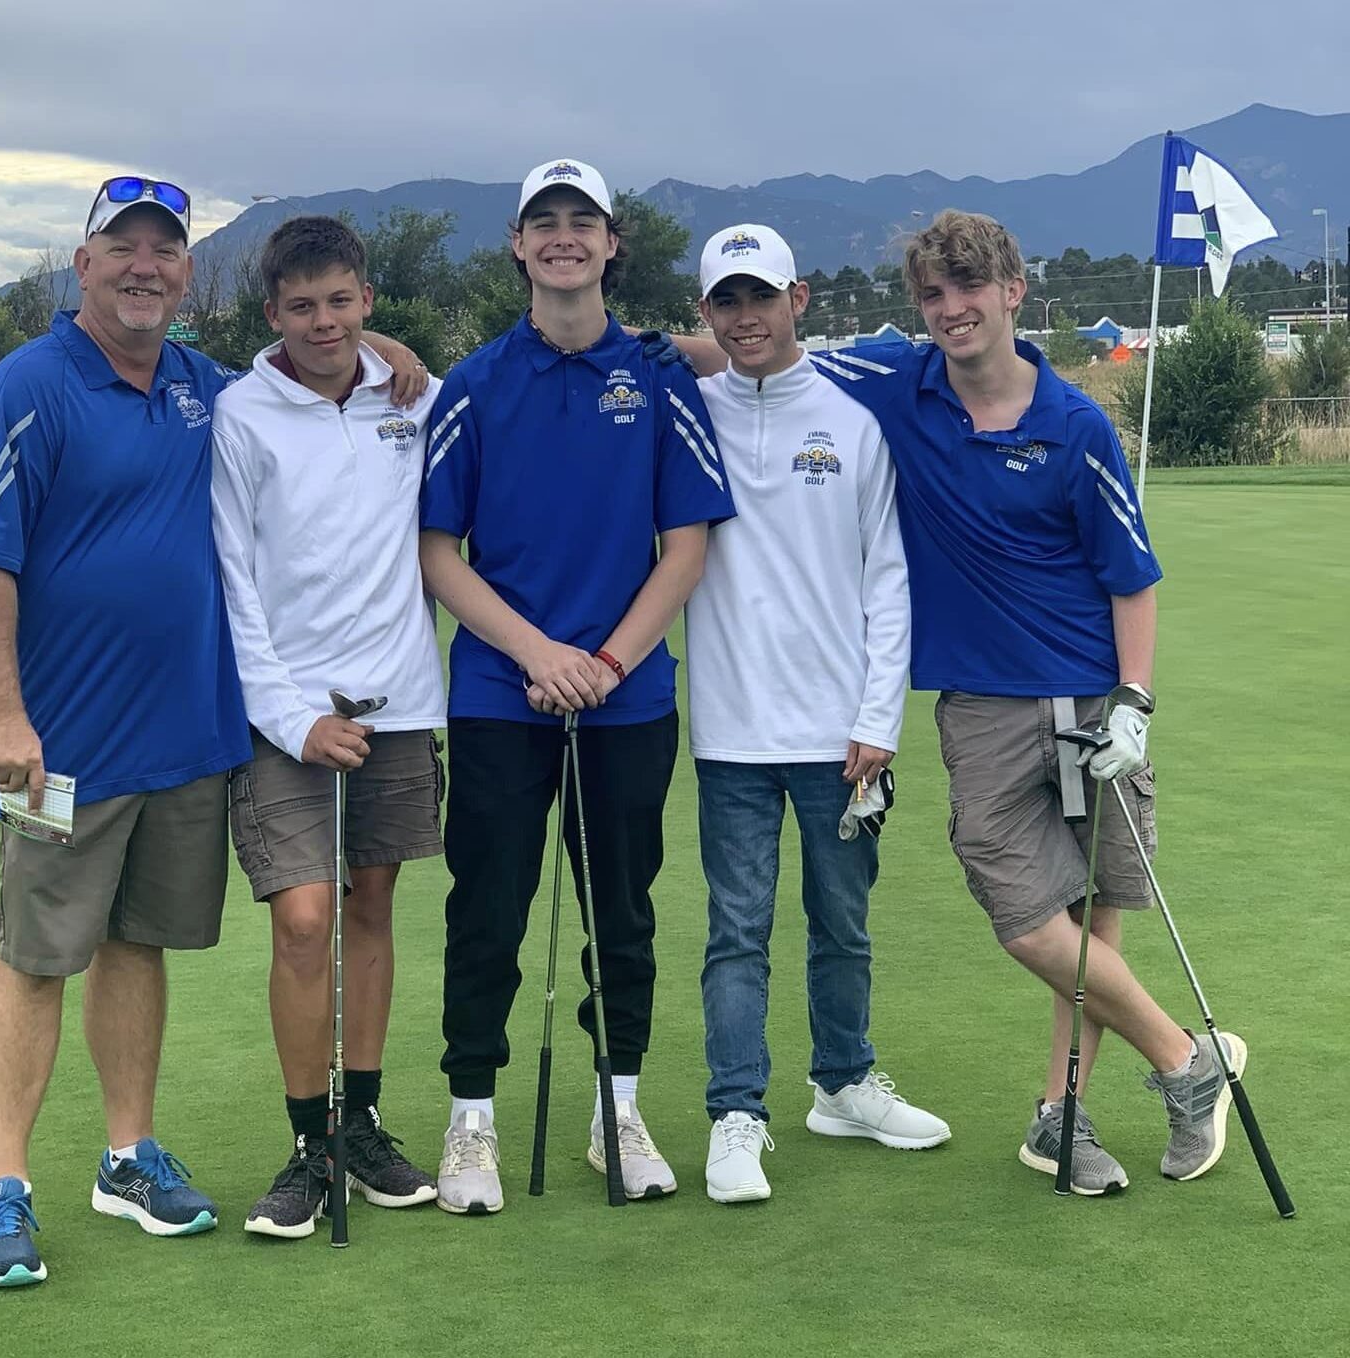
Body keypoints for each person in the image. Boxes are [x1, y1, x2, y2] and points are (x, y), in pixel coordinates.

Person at [668, 209, 1242, 1195]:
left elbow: (1131, 577)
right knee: (1028, 917)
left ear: (1015, 290)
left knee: (1090, 922)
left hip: (1090, 696)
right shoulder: (900, 381)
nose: (952, 309)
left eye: (971, 287)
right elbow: (750, 344)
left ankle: (1062, 1116)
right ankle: (1190, 1059)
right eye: (933, 294)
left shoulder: (1076, 424)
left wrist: (1134, 700)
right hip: (980, 702)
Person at [0, 177, 250, 1288]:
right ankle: (1, 1185)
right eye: (124, 247)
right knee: (35, 954)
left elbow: (315, 374)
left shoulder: (200, 384)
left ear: (184, 274)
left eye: (165, 251)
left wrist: (394, 347)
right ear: (83, 265)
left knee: (138, 943)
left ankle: (127, 1156)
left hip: (183, 738)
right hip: (54, 747)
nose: (145, 266)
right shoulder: (28, 386)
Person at [418, 157, 736, 1214]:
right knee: (490, 908)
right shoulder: (474, 384)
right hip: (503, 697)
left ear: (611, 245)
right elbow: (439, 551)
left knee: (623, 913)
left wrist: (602, 662)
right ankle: (471, 1120)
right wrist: (538, 656)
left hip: (626, 696)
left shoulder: (657, 379)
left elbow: (684, 546)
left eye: (582, 222)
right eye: (543, 221)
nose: (563, 236)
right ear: (518, 244)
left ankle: (619, 1107)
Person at [686, 225, 950, 1205]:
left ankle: (841, 1080)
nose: (745, 317)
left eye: (761, 297)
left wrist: (878, 716)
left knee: (843, 921)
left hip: (847, 735)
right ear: (707, 311)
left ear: (797, 297)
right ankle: (735, 1114)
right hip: (730, 730)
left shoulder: (852, 420)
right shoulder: (690, 413)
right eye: (727, 301)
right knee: (736, 928)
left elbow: (889, 580)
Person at [211, 215, 446, 1236]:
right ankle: (309, 1142)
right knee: (304, 919)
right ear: (272, 313)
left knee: (371, 908)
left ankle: (362, 1121)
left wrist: (404, 358)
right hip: (287, 714)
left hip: (399, 699)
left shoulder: (415, 399)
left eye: (340, 301)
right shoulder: (241, 415)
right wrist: (293, 717)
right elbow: (235, 586)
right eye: (301, 306)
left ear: (366, 300)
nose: (322, 321)